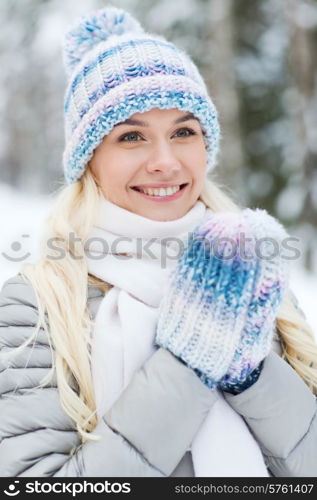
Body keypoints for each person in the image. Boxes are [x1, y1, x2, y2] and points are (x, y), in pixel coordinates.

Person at [0, 6, 316, 478]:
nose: (165, 162)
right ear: (88, 160)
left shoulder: (251, 277)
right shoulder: (35, 307)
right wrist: (188, 363)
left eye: (184, 132)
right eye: (132, 136)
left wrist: (250, 374)